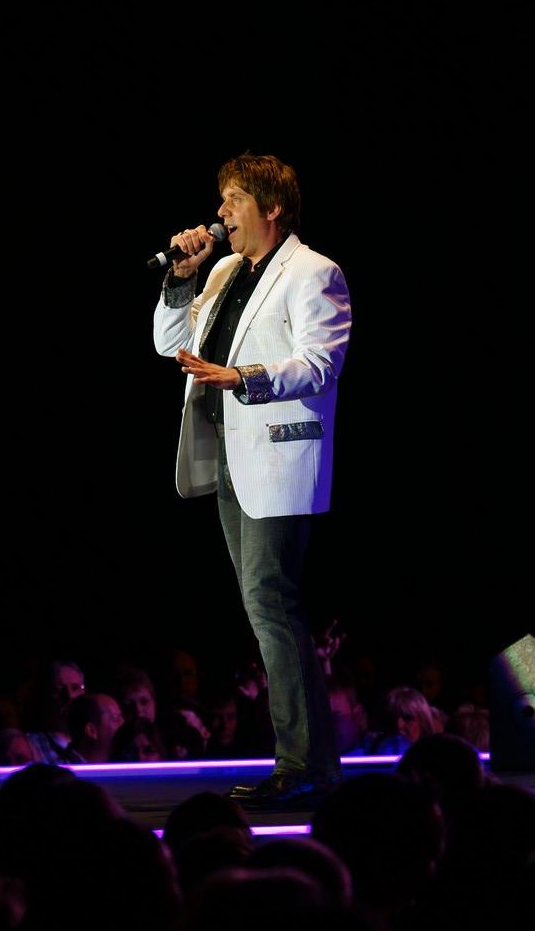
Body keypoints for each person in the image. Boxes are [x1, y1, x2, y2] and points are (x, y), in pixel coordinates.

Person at [153, 152, 352, 804]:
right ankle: (312, 762)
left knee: (271, 601)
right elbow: (169, 345)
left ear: (271, 207)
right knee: (265, 605)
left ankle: (302, 763)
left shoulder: (313, 272)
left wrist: (246, 377)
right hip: (229, 454)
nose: (219, 213)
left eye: (233, 199)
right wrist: (181, 280)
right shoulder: (223, 270)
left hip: (277, 456)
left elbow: (320, 363)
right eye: (221, 200)